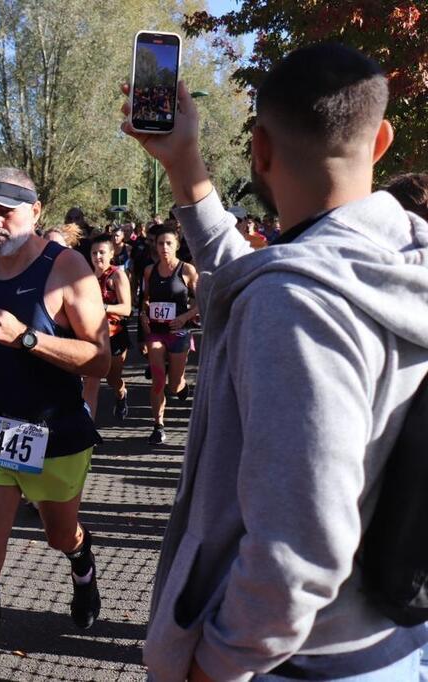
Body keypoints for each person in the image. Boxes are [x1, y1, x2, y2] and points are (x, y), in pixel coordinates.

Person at [122, 44, 428, 681]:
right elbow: (276, 270)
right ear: (382, 142)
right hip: (392, 643)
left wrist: (219, 665)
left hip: (298, 662)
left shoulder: (294, 303)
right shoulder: (399, 262)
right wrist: (185, 165)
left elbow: (301, 546)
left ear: (260, 150)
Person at [0, 168, 109, 682]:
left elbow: (99, 361)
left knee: (59, 535)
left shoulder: (68, 267)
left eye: (5, 212)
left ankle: (82, 563)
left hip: (54, 433)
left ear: (34, 213)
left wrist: (26, 339)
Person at [139, 224, 199, 445]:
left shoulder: (187, 270)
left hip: (179, 332)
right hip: (156, 331)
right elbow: (146, 298)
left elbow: (201, 301)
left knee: (173, 386)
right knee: (157, 379)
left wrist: (184, 318)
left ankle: (182, 386)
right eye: (160, 243)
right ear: (155, 245)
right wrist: (145, 314)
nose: (164, 247)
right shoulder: (149, 271)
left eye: (168, 243)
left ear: (177, 245)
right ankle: (158, 425)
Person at [82, 233, 133, 420]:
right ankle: (86, 422)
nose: (97, 257)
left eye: (102, 252)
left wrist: (102, 307)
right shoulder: (86, 276)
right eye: (94, 253)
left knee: (113, 379)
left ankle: (121, 394)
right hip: (92, 336)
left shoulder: (117, 275)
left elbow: (126, 308)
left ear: (111, 253)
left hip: (115, 335)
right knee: (90, 379)